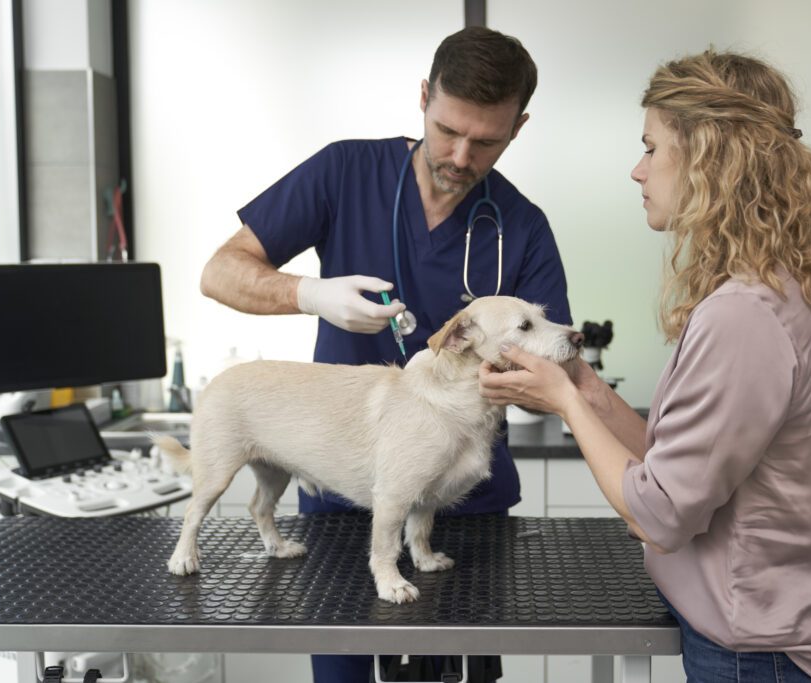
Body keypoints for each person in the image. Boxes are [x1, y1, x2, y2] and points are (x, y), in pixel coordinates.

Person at [200, 26, 571, 683]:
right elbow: (221, 271)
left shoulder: (523, 227)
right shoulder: (345, 173)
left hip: (467, 511)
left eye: (485, 141)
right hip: (341, 498)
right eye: (446, 128)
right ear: (424, 96)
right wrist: (307, 293)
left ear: (520, 126)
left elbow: (552, 364)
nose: (459, 155)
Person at [478, 50, 811, 683]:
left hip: (756, 654)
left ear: (710, 157)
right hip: (755, 635)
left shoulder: (743, 316)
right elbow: (677, 466)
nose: (638, 170)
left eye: (651, 148)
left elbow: (659, 514)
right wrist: (585, 386)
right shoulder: (753, 292)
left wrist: (565, 403)